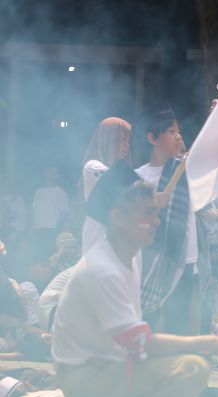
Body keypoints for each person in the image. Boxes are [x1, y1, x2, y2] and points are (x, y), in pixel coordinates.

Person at [52, 180, 218, 397]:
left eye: (156, 213)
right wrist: (211, 343)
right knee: (193, 367)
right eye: (147, 214)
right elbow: (142, 343)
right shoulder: (103, 270)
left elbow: (136, 343)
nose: (155, 222)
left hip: (119, 373)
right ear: (117, 217)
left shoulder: (132, 253)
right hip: (87, 381)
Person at [136, 110, 201, 335]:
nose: (178, 137)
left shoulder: (186, 169)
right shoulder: (137, 177)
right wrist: (153, 205)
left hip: (181, 258)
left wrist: (216, 114)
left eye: (179, 132)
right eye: (171, 131)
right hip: (147, 259)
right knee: (146, 324)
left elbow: (208, 150)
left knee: (179, 323)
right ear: (152, 138)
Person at [80, 117, 133, 253]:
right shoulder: (91, 167)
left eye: (128, 141)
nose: (126, 146)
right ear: (109, 140)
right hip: (97, 243)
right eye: (122, 140)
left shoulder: (125, 174)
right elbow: (121, 183)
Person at [31, 167, 69, 258]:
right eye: (49, 172)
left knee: (52, 254)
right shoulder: (38, 191)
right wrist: (32, 226)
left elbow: (63, 213)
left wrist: (61, 229)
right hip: (39, 229)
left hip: (53, 229)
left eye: (53, 172)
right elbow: (34, 210)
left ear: (57, 176)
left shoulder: (61, 192)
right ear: (44, 174)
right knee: (39, 254)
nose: (50, 174)